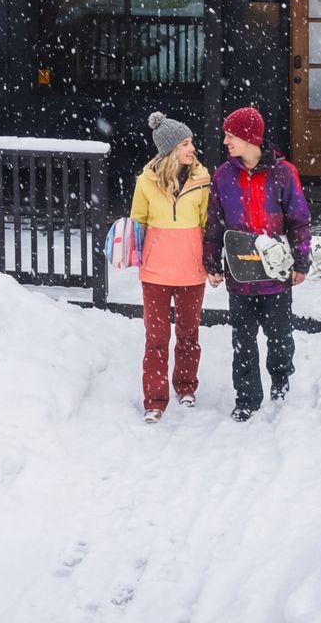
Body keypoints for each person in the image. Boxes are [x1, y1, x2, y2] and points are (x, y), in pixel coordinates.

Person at [203, 106, 311, 421]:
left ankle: (280, 375)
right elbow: (214, 224)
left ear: (249, 138)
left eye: (230, 135)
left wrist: (301, 261)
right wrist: (212, 263)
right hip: (239, 273)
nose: (225, 141)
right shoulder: (223, 176)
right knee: (243, 340)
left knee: (279, 337)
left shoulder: (284, 173)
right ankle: (247, 399)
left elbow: (299, 221)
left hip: (275, 274)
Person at [130, 112, 211, 424]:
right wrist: (137, 254)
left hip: (191, 272)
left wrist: (211, 264)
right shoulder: (145, 182)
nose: (193, 149)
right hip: (155, 274)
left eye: (191, 143)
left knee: (189, 333)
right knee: (156, 338)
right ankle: (154, 399)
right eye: (187, 144)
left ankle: (187, 386)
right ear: (170, 150)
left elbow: (207, 226)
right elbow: (138, 222)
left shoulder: (203, 180)